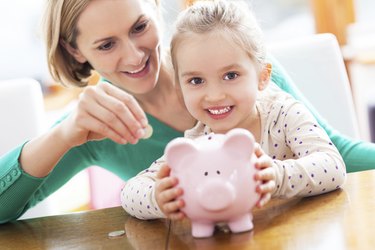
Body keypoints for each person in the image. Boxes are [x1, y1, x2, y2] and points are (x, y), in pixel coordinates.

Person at [0, 0, 373, 224]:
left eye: (139, 26)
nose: (133, 56)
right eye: (107, 44)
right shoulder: (97, 123)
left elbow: (335, 155)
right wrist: (63, 135)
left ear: (156, 9)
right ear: (76, 51)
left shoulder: (237, 68)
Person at [120, 0, 346, 220]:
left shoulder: (283, 114)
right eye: (197, 81)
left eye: (231, 76)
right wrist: (158, 198)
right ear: (180, 89)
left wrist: (276, 176)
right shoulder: (196, 143)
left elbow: (333, 166)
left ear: (262, 76)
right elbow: (130, 192)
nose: (215, 95)